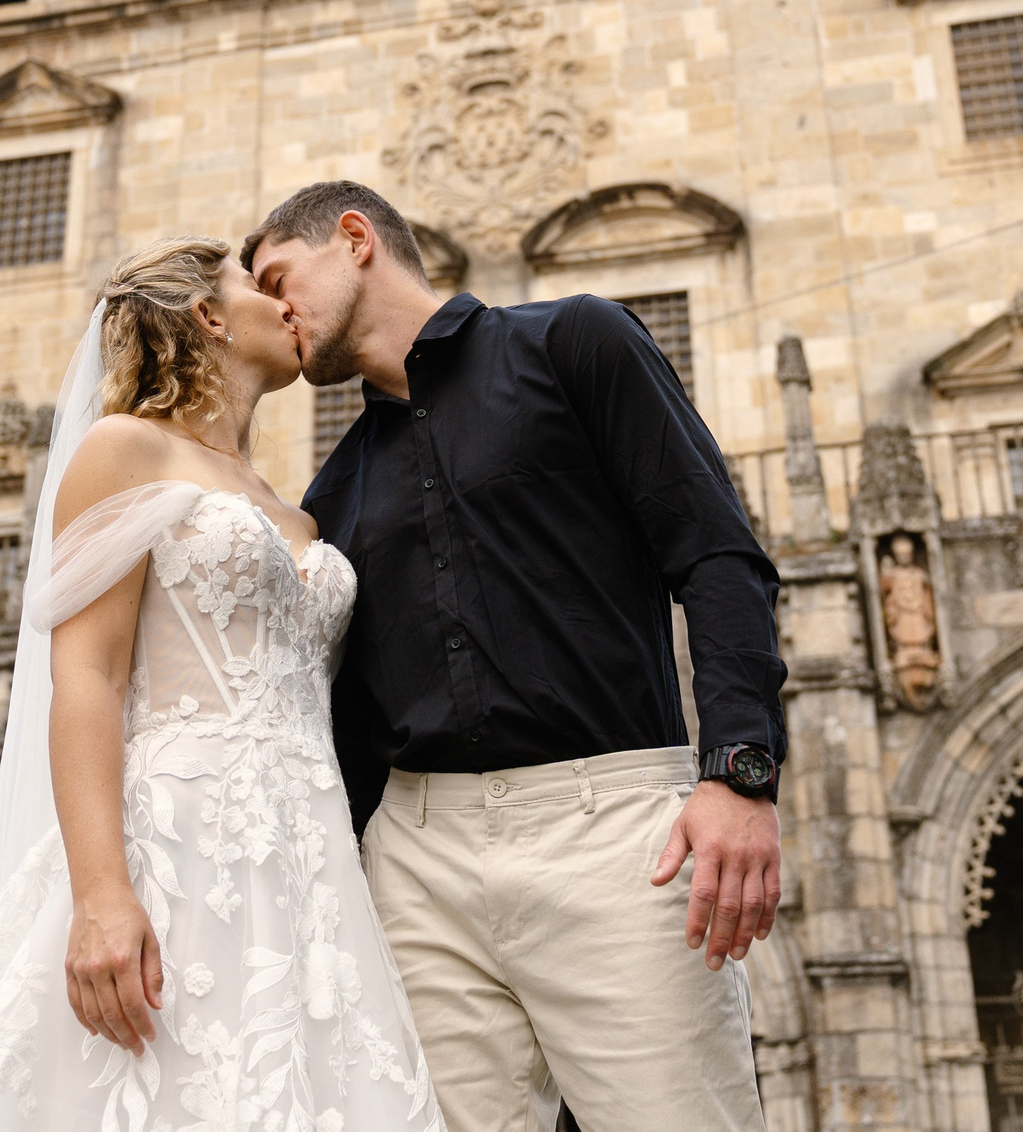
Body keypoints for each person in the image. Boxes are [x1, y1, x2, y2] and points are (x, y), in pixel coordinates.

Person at [245, 180, 786, 1132]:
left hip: (614, 827)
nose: (272, 308)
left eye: (279, 276)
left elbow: (717, 553)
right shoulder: (331, 487)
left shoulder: (575, 342)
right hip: (417, 856)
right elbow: (351, 719)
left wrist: (739, 772)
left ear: (356, 238)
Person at [0, 236, 442, 1132]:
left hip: (312, 852)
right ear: (210, 315)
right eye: (258, 286)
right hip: (171, 842)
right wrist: (101, 893)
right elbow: (86, 676)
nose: (286, 303)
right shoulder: (123, 450)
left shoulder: (295, 508)